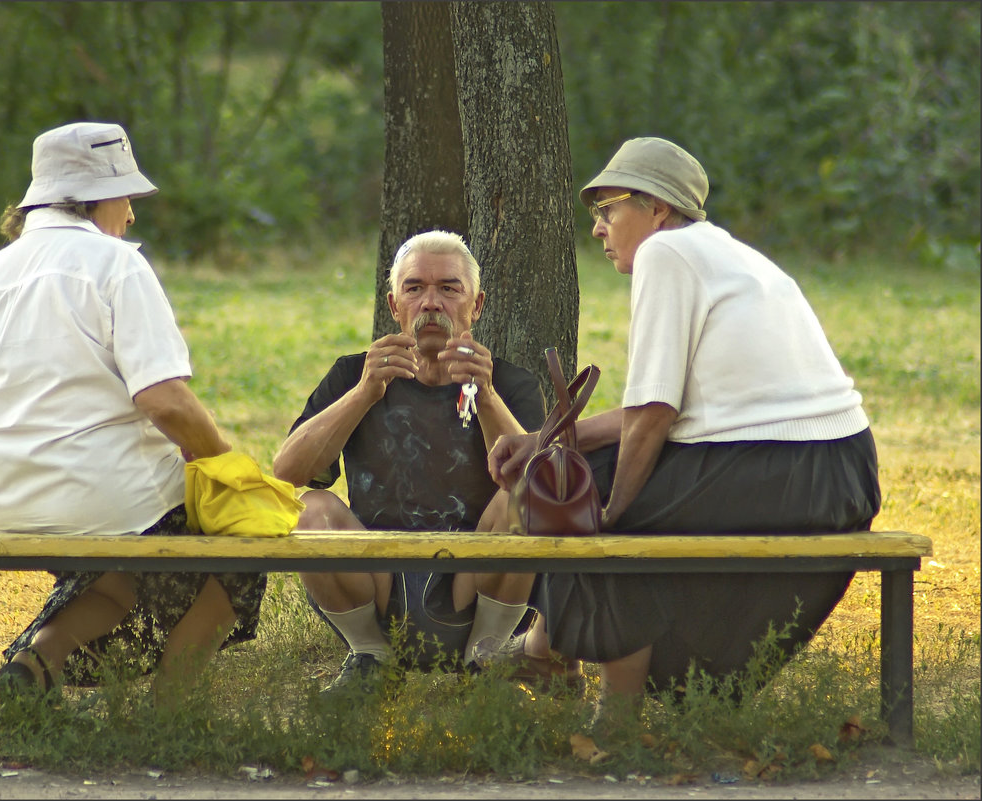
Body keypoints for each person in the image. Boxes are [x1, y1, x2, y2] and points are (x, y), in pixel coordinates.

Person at [484, 136, 881, 721]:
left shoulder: (664, 255)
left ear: (657, 209)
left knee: (580, 495)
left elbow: (652, 418)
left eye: (607, 209)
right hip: (841, 470)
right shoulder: (729, 255)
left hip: (787, 467)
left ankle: (595, 704)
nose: (598, 228)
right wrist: (543, 439)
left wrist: (612, 512)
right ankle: (549, 650)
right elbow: (662, 409)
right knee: (574, 477)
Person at [0, 121, 266, 703]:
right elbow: (163, 399)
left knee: (117, 586)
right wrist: (225, 465)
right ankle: (168, 716)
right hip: (98, 495)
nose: (131, 216)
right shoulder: (114, 263)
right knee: (241, 553)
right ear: (96, 198)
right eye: (126, 197)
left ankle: (33, 668)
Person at [273, 230, 578, 693]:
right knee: (311, 509)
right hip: (376, 581)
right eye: (415, 288)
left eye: (449, 289)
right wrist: (363, 394)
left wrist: (488, 397)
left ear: (475, 306)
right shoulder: (354, 373)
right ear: (395, 306)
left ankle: (486, 661)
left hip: (473, 585)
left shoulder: (509, 381)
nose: (431, 303)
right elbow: (287, 473)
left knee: (522, 496)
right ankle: (371, 658)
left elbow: (541, 487)